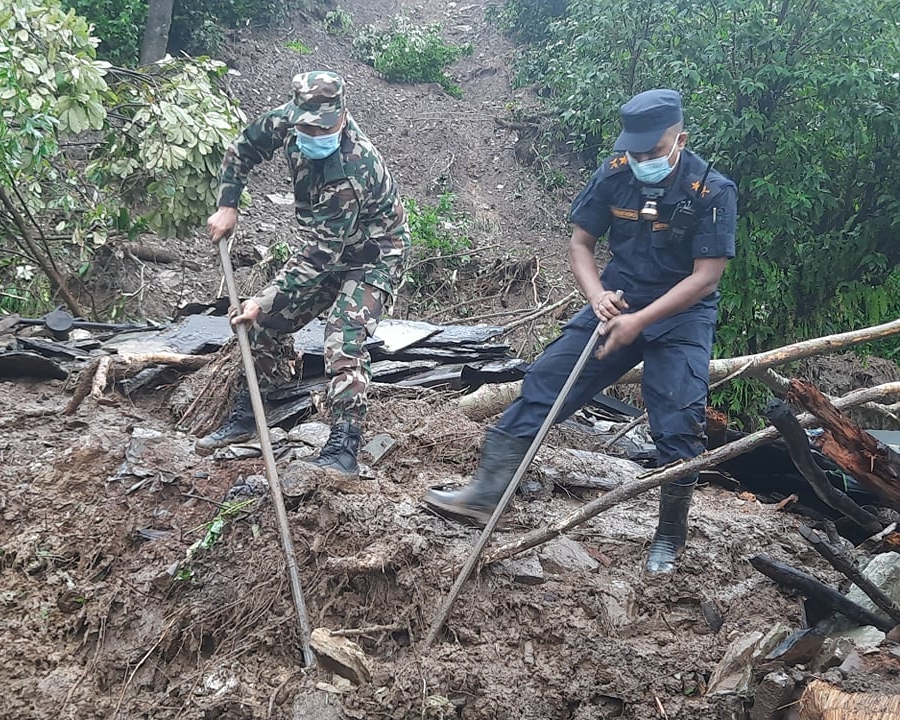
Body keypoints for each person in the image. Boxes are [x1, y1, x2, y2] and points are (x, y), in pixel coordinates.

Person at [423, 89, 737, 575]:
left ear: (680, 139)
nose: (640, 162)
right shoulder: (615, 174)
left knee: (678, 422)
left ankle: (669, 537)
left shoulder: (711, 191)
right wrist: (596, 297)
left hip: (681, 315)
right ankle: (483, 496)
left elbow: (706, 276)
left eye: (651, 153)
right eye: (634, 152)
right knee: (546, 381)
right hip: (616, 301)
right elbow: (580, 243)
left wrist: (641, 322)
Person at [196, 70, 410, 476]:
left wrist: (263, 297)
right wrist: (229, 203)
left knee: (342, 339)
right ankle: (260, 406)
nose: (313, 135)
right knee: (262, 322)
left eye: (322, 130)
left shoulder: (354, 167)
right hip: (328, 248)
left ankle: (344, 444)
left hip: (373, 255)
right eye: (306, 128)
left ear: (342, 118)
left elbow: (321, 255)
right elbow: (243, 147)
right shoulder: (288, 120)